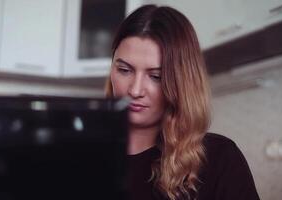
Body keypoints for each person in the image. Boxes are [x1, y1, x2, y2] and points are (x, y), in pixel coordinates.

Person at [105, 4, 260, 200]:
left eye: (156, 76)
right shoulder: (81, 154)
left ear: (182, 81)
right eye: (124, 70)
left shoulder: (220, 159)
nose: (135, 90)